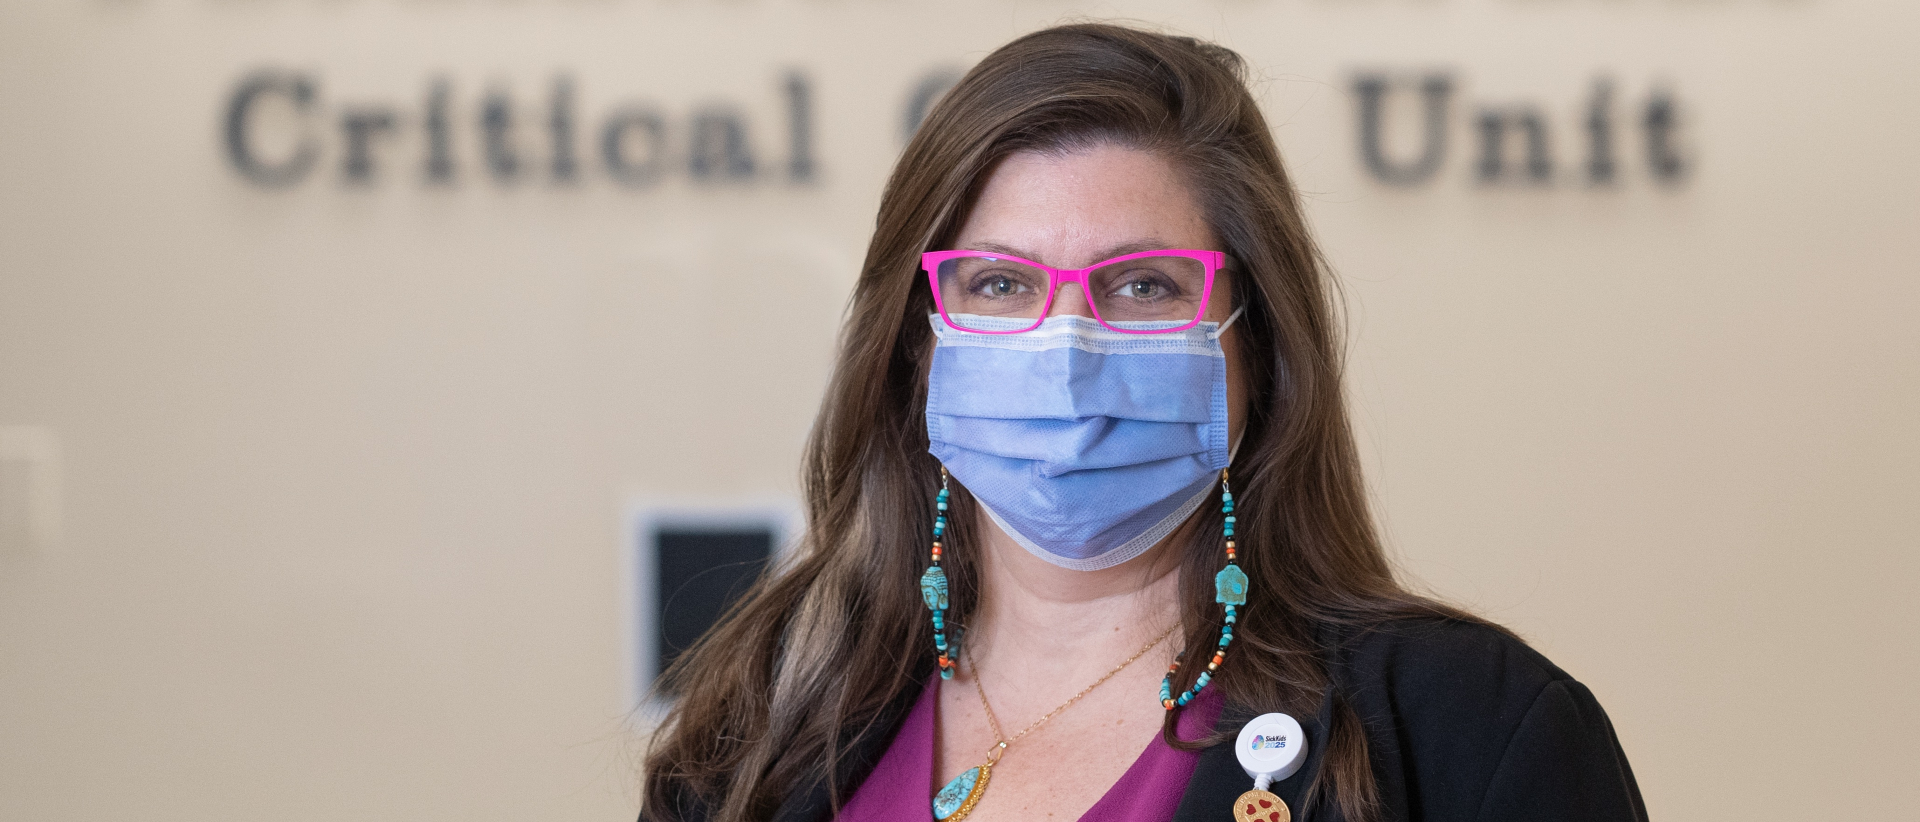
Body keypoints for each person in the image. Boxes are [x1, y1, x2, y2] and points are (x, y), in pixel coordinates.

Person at [639, 23, 1646, 822]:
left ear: (1256, 340)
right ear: (917, 342)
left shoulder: (1471, 728)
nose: (1069, 346)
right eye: (998, 282)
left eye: (1144, 285)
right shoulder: (761, 725)